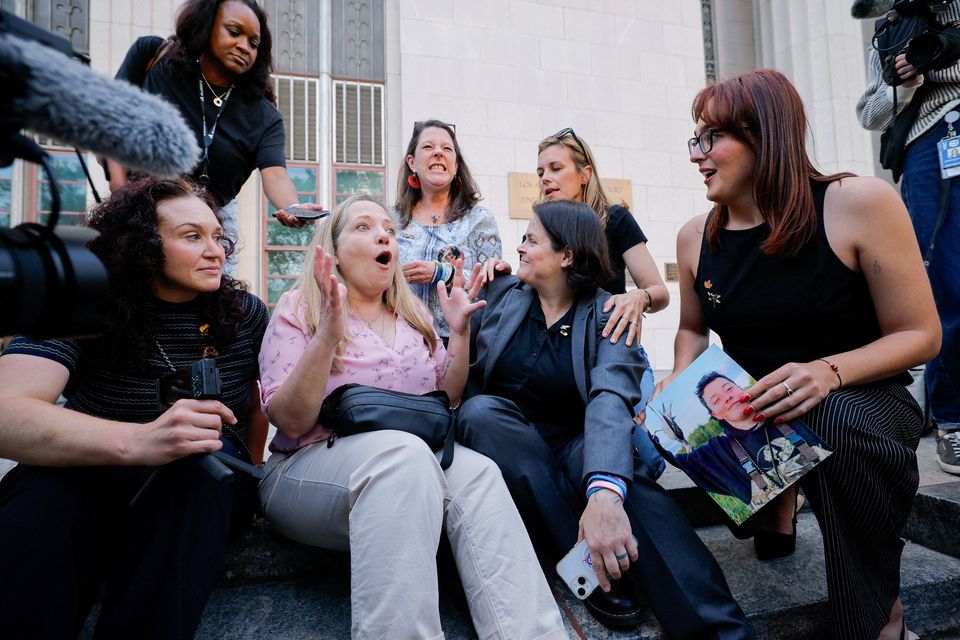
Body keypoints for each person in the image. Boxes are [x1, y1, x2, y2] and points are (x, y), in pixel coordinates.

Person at [672, 69, 940, 639]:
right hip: (757, 412)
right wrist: (675, 399)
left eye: (710, 138)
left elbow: (921, 334)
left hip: (861, 397)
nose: (697, 155)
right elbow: (693, 331)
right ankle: (778, 500)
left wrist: (828, 371)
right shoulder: (695, 235)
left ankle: (877, 617)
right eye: (695, 140)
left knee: (830, 419)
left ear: (763, 135)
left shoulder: (857, 201)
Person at [257, 194, 566, 639]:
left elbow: (445, 398)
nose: (383, 233)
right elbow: (289, 420)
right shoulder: (300, 307)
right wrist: (328, 334)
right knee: (403, 455)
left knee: (477, 472)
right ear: (334, 252)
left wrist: (459, 335)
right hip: (305, 468)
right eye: (363, 227)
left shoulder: (413, 315)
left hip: (411, 468)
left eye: (387, 228)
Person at [456, 200, 752, 637]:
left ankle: (722, 630)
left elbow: (610, 400)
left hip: (577, 442)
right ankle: (588, 570)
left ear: (567, 255)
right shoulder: (500, 294)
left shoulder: (610, 313)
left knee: (628, 486)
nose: (519, 248)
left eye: (531, 239)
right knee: (482, 413)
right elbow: (467, 374)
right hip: (506, 447)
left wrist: (605, 496)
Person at [0, 177, 269, 638]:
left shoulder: (245, 313)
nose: (216, 251)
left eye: (218, 237)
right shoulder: (81, 303)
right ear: (141, 243)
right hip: (96, 473)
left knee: (202, 454)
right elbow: (7, 410)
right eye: (192, 236)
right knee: (50, 494)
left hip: (201, 487)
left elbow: (258, 406)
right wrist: (140, 441)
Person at [108, 0, 323, 230]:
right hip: (140, 209)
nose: (244, 47)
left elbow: (276, 175)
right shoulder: (154, 56)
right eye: (234, 32)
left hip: (211, 222)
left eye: (253, 44)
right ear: (207, 25)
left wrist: (293, 207)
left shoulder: (265, 117)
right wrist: (121, 195)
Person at [857, 4, 960, 476]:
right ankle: (953, 424)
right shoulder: (896, 26)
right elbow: (870, 113)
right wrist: (906, 81)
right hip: (931, 144)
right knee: (944, 284)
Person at [392, 119, 502, 342]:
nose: (438, 153)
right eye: (428, 147)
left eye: (446, 148)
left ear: (456, 165)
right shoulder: (391, 220)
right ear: (412, 163)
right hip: (398, 345)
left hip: (460, 345)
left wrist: (442, 272)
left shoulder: (479, 219)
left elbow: (493, 286)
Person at [665, 372, 828, 509]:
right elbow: (676, 460)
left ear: (741, 389)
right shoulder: (718, 450)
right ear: (716, 415)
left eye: (729, 388)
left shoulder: (786, 408)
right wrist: (644, 426)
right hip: (767, 520)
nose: (727, 397)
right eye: (716, 400)